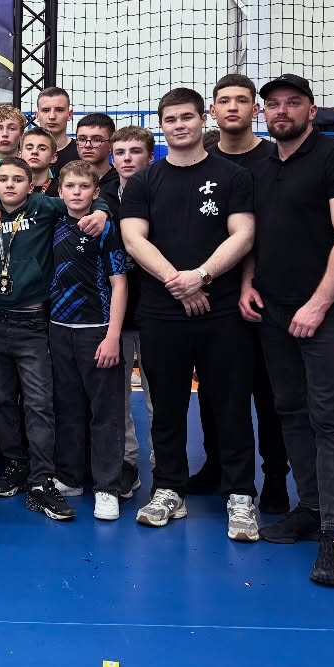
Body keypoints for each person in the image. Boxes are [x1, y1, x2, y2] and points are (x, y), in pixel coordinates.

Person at [239, 75, 334, 586]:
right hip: (272, 309)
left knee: (330, 417)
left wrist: (318, 305)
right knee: (290, 410)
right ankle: (311, 508)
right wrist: (249, 282)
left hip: (324, 311)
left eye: (293, 103)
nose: (282, 111)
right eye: (273, 104)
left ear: (311, 111)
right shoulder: (261, 166)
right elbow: (256, 235)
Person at [119, 87, 259, 542]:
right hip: (162, 312)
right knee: (167, 407)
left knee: (230, 405)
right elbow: (134, 239)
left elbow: (243, 234)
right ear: (162, 126)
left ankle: (240, 494)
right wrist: (177, 283)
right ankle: (169, 489)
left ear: (203, 119)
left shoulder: (233, 176)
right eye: (171, 119)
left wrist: (201, 276)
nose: (179, 125)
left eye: (187, 117)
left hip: (222, 312)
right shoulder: (144, 182)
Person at [205, 73, 289, 512]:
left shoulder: (275, 159)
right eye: (225, 100)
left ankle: (275, 477)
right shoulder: (203, 160)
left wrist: (250, 280)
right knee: (216, 391)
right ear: (213, 110)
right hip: (212, 295)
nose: (233, 107)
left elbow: (264, 231)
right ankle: (216, 466)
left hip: (264, 295)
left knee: (270, 392)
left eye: (242, 100)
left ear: (255, 109)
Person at [0, 156, 72, 521]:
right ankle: (16, 463)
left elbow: (85, 200)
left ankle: (41, 478)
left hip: (31, 321)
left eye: (17, 179)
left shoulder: (43, 207)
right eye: (3, 179)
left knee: (38, 402)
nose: (9, 184)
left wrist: (100, 211)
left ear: (31, 184)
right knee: (1, 400)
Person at [49, 160, 130, 520]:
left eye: (84, 186)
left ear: (96, 192)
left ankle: (107, 487)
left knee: (105, 413)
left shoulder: (105, 228)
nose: (77, 192)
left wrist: (113, 335)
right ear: (60, 191)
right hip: (57, 328)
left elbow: (120, 284)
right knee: (67, 407)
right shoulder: (53, 222)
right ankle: (70, 477)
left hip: (96, 329)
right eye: (70, 186)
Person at [111, 125, 155, 498]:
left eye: (135, 151)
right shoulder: (101, 197)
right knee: (117, 396)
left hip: (157, 309)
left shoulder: (165, 192)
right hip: (117, 313)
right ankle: (126, 462)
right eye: (121, 152)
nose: (127, 158)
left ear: (150, 157)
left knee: (162, 396)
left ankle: (165, 465)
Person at [74, 113, 119, 204]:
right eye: (82, 139)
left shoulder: (121, 182)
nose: (87, 145)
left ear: (111, 144)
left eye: (97, 140)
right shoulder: (67, 180)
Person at [36, 87, 78, 171]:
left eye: (59, 110)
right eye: (46, 110)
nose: (52, 116)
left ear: (70, 115)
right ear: (37, 115)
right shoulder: (25, 155)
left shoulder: (81, 152)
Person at [20, 126, 60, 196]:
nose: (34, 152)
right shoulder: (10, 188)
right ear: (20, 155)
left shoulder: (62, 191)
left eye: (42, 149)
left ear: (53, 158)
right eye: (29, 148)